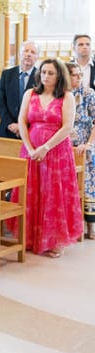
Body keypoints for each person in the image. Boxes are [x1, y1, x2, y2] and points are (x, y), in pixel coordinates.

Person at [18, 58, 82, 257]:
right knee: (33, 191)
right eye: (43, 72)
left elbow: (67, 127)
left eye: (51, 73)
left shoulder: (66, 97)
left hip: (56, 152)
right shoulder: (30, 94)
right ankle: (31, 237)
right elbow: (21, 121)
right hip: (31, 150)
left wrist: (45, 147)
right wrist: (30, 148)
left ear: (59, 75)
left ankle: (55, 240)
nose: (45, 76)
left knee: (53, 193)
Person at [67, 62, 95, 240]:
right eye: (74, 75)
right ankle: (71, 224)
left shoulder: (88, 93)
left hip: (84, 144)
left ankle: (90, 225)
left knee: (87, 181)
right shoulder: (60, 94)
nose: (78, 78)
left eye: (80, 74)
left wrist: (89, 144)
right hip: (65, 144)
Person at [0, 40, 38, 136]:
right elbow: (0, 101)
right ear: (19, 54)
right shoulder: (7, 74)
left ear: (37, 57)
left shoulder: (40, 77)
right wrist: (10, 123)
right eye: (26, 51)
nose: (28, 54)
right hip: (7, 128)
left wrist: (22, 125)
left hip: (30, 131)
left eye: (33, 52)